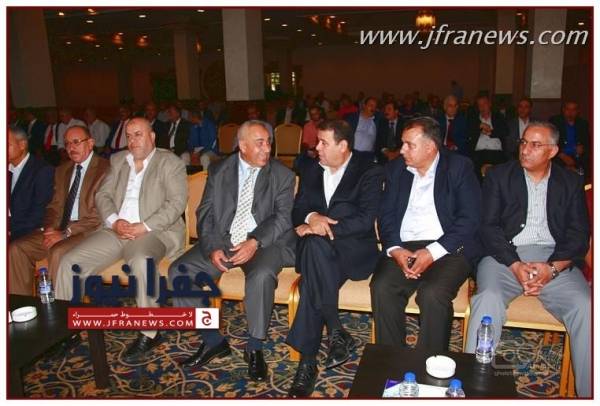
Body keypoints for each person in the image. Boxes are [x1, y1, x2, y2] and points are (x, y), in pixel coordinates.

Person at [464, 121, 590, 397]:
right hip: (503, 257)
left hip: (554, 259)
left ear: (552, 151)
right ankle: (473, 391)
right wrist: (515, 264)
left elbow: (579, 234)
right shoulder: (499, 176)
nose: (525, 150)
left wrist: (552, 269)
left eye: (535, 145)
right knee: (487, 299)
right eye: (523, 142)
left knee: (586, 306)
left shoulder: (570, 182)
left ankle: (590, 393)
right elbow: (488, 227)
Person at [168, 120, 295, 382]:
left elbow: (283, 217)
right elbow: (205, 212)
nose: (267, 148)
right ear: (242, 146)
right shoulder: (219, 170)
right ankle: (212, 340)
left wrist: (254, 241)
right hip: (224, 239)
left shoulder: (282, 174)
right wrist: (213, 246)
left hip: (264, 242)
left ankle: (255, 346)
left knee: (262, 275)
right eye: (260, 143)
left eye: (268, 142)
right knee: (180, 271)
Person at [55, 118, 187, 362]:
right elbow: (103, 195)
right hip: (117, 230)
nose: (133, 140)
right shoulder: (118, 160)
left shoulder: (170, 162)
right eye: (129, 135)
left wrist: (143, 226)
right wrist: (115, 221)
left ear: (152, 137)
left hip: (153, 231)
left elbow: (176, 203)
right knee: (69, 262)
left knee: (141, 260)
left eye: (138, 134)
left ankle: (150, 332)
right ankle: (67, 330)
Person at [286, 120, 384, 397]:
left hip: (353, 250)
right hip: (317, 251)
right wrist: (311, 217)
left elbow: (365, 220)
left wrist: (323, 228)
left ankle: (310, 360)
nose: (316, 147)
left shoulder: (369, 171)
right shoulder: (311, 169)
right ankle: (335, 332)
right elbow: (298, 209)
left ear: (343, 146)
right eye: (317, 141)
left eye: (323, 142)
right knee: (315, 251)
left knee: (310, 282)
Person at [370, 116, 481, 352]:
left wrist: (432, 252)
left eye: (409, 145)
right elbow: (386, 215)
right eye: (402, 143)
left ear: (430, 147)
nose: (402, 150)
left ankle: (429, 362)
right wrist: (395, 249)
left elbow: (470, 218)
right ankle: (390, 359)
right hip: (404, 246)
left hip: (448, 248)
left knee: (432, 294)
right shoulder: (396, 169)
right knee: (382, 287)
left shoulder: (458, 167)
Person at [9, 126, 109, 294]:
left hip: (88, 230)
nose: (71, 148)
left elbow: (100, 215)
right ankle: (21, 304)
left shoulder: (106, 169)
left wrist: (66, 233)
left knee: (58, 251)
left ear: (91, 143)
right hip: (60, 228)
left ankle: (57, 306)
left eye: (76, 142)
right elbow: (53, 206)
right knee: (16, 249)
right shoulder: (62, 170)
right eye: (67, 143)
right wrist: (49, 228)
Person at [8, 125, 55, 241]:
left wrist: (9, 230)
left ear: (22, 145)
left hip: (24, 232)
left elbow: (38, 215)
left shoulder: (42, 171)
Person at [467, 94, 508, 179]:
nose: (482, 107)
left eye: (484, 104)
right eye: (480, 105)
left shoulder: (498, 117)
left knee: (498, 176)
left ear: (489, 104)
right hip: (479, 153)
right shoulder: (473, 119)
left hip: (496, 152)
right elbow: (468, 131)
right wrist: (480, 126)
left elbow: (505, 131)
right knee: (477, 175)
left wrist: (490, 132)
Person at [549, 101, 590, 179]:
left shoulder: (583, 123)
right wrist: (561, 155)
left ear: (578, 111)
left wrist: (582, 148)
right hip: (558, 156)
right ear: (563, 110)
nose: (570, 112)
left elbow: (587, 143)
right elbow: (549, 142)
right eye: (568, 109)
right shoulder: (555, 121)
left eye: (573, 110)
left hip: (577, 157)